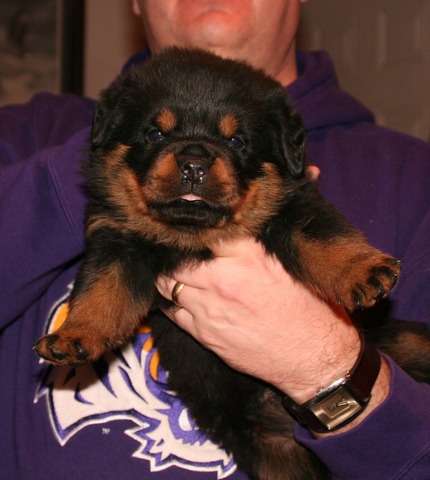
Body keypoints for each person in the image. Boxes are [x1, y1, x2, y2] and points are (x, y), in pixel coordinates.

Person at [1, 1, 430, 478]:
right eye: (159, 134)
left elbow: (307, 229)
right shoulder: (26, 135)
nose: (195, 162)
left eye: (235, 142)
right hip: (232, 415)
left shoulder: (414, 178)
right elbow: (118, 269)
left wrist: (326, 366)